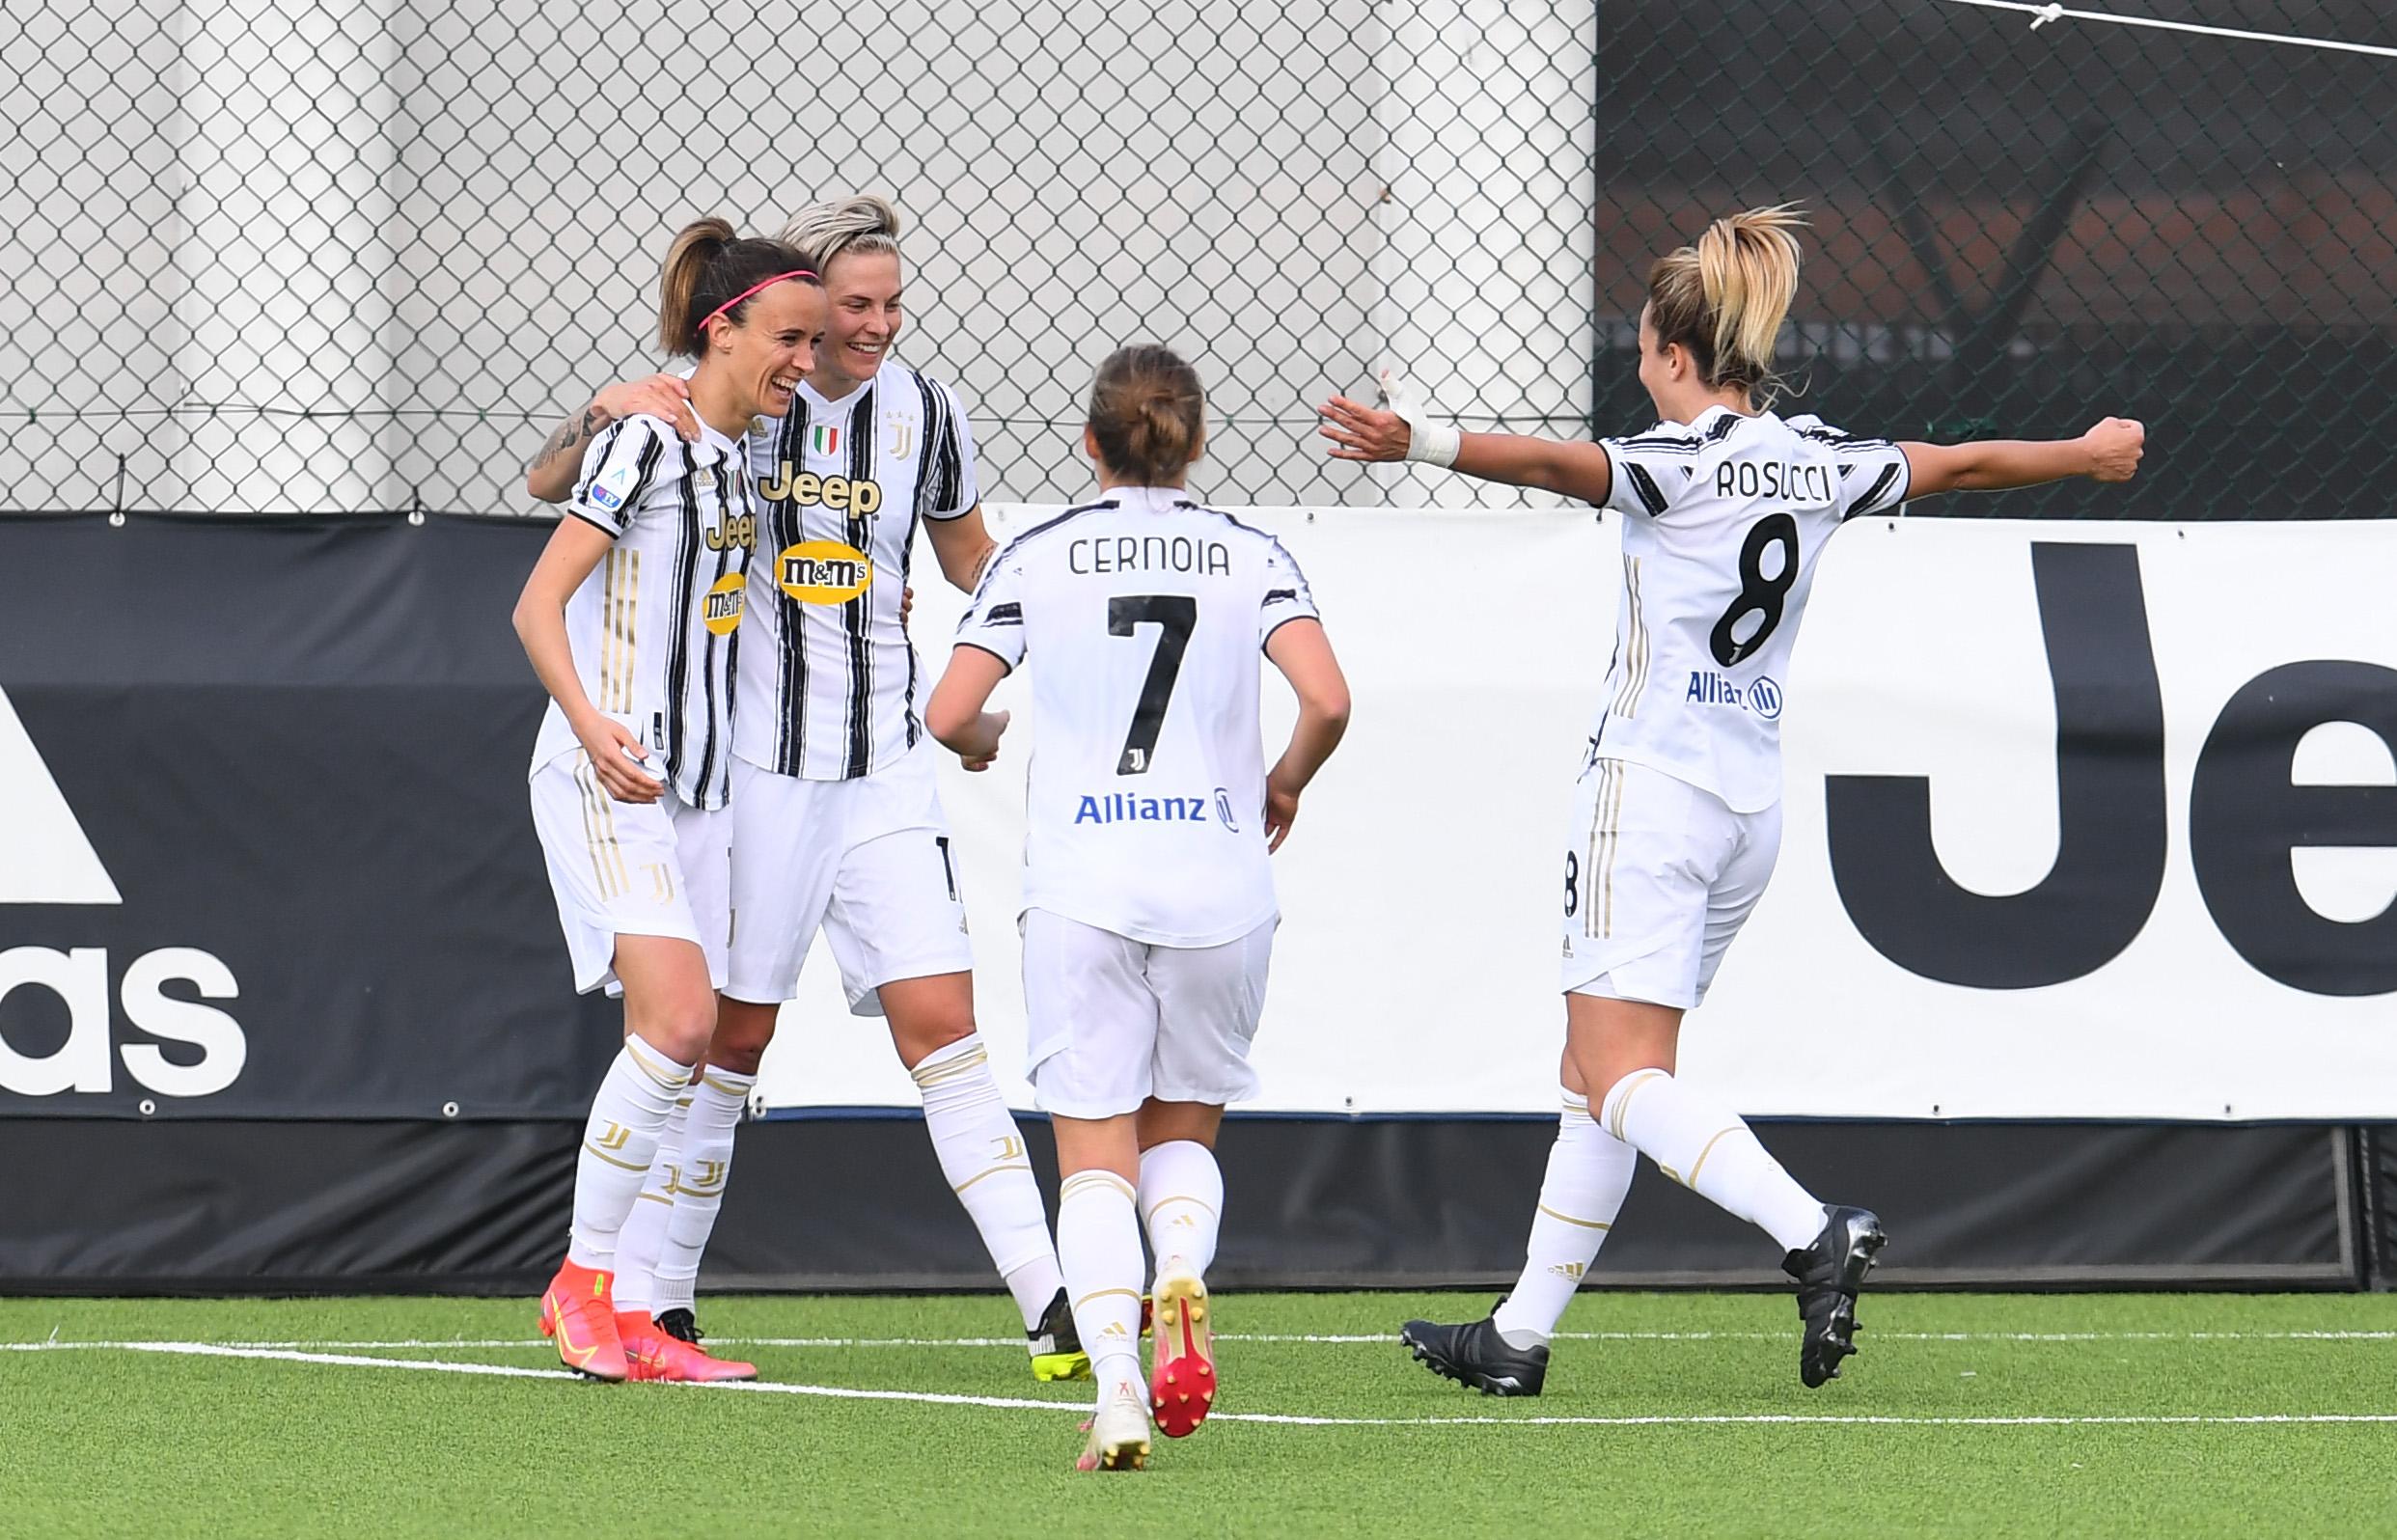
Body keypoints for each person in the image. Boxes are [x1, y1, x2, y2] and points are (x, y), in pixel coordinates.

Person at [1318, 206, 2144, 1394]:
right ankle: (1518, 1335)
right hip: (1747, 809)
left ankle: (1813, 1233)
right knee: (1597, 1074)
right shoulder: (1815, 459)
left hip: (1649, 792)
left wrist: (1422, 439)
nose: (1641, 370)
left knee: (1620, 1077)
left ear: (1671, 357)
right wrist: (2085, 451)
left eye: (1646, 352)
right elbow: (1954, 464)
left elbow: (1560, 467)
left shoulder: (1672, 464)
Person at [524, 198, 1083, 1380]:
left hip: (884, 768)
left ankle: (1053, 1304)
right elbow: (554, 492)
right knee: (725, 1038)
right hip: (752, 775)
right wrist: (605, 405)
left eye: (890, 305)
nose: (872, 327)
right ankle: (656, 1302)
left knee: (946, 1028)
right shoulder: (726, 415)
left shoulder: (926, 413)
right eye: (849, 309)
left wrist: (990, 682)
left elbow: (966, 556)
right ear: (791, 314)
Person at [929, 344, 1351, 1471]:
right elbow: (1328, 698)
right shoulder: (1249, 552)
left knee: (1093, 1162)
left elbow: (949, 710)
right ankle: (1180, 1269)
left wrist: (983, 741)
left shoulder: (1038, 554)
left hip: (1085, 891)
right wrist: (1286, 781)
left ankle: (1117, 1384)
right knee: (1183, 1139)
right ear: (1196, 440)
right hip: (1220, 885)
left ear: (1091, 443)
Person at [513, 219, 824, 1384]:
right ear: (722, 329)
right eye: (786, 339)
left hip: (700, 787)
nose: (804, 360)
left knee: (696, 1051)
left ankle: (637, 1308)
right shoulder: (648, 441)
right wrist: (595, 730)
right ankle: (581, 1284)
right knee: (680, 1027)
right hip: (614, 773)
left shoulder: (739, 456)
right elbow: (538, 605)